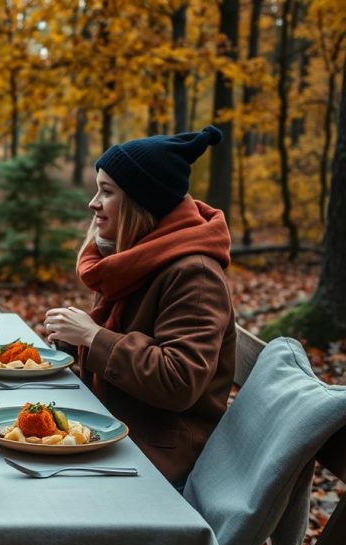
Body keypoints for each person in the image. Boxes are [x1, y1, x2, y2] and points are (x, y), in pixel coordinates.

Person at [43, 125, 235, 488]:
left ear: (139, 202)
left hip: (158, 455)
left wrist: (94, 336)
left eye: (107, 192)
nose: (93, 203)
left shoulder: (194, 275)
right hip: (119, 426)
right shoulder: (136, 259)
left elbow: (179, 381)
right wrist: (76, 342)